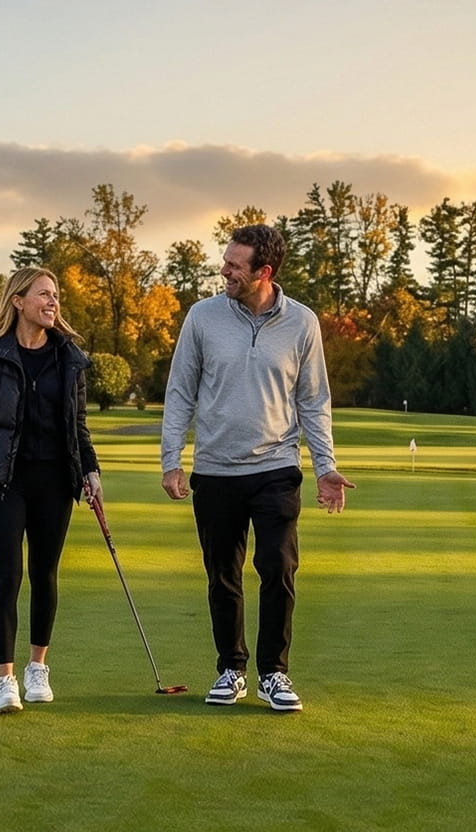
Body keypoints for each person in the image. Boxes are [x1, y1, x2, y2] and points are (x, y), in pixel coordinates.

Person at [161, 223, 353, 712]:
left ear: (263, 272)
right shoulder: (202, 318)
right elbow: (180, 391)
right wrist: (172, 461)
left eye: (234, 265)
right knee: (222, 575)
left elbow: (314, 400)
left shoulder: (302, 323)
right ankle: (231, 669)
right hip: (215, 470)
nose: (224, 270)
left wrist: (326, 465)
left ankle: (274, 674)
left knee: (279, 569)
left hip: (275, 467)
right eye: (224, 261)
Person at [0, 267, 101, 714]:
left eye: (56, 296)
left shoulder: (69, 356)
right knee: (7, 577)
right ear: (18, 301)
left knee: (45, 575)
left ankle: (38, 668)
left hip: (55, 481)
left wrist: (90, 472)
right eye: (44, 295)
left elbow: (78, 426)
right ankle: (5, 680)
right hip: (4, 480)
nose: (53, 302)